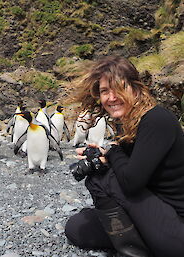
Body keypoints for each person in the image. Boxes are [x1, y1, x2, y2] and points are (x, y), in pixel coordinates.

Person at [64, 56, 184, 257]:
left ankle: (133, 252)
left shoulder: (156, 120)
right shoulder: (128, 124)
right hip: (158, 215)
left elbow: (131, 182)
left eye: (119, 88)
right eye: (104, 91)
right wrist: (102, 156)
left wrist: (111, 151)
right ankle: (142, 242)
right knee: (78, 227)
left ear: (136, 88)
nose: (111, 97)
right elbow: (130, 166)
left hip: (178, 229)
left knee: (100, 178)